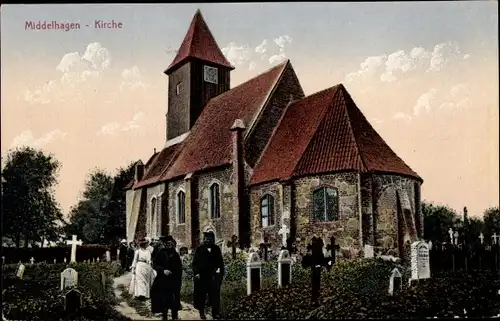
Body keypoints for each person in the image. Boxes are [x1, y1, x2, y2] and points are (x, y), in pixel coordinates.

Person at [192, 231, 225, 319]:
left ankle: (215, 313)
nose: (208, 241)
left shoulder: (216, 249)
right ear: (204, 240)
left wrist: (220, 274)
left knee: (215, 295)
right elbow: (195, 263)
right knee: (201, 295)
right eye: (206, 239)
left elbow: (220, 263)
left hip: (213, 277)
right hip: (202, 276)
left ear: (213, 240)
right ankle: (202, 312)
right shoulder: (200, 249)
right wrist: (197, 273)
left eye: (210, 239)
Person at [151, 235, 183, 321]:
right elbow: (154, 264)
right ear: (164, 244)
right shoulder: (161, 253)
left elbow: (179, 266)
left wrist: (178, 275)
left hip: (174, 280)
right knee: (164, 298)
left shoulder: (175, 253)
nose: (169, 245)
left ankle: (174, 316)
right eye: (167, 243)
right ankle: (164, 316)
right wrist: (163, 270)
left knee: (175, 298)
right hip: (164, 280)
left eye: (170, 243)